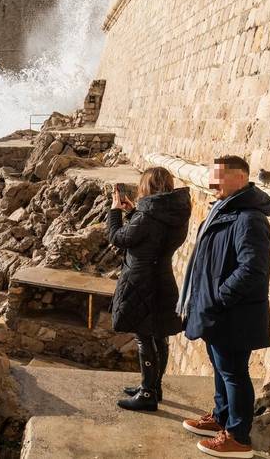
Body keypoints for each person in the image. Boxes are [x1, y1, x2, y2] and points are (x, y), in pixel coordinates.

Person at [178, 155, 270, 459]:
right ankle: (220, 418)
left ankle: (237, 437)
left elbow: (252, 269)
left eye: (218, 176)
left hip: (232, 313)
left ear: (240, 178)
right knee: (222, 369)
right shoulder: (225, 211)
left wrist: (220, 297)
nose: (211, 183)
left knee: (234, 372)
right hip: (216, 310)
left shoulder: (249, 219)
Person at [107, 166, 191, 412]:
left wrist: (114, 211)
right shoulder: (176, 211)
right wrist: (134, 211)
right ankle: (155, 386)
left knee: (144, 336)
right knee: (160, 335)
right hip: (162, 277)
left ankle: (147, 393)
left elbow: (119, 238)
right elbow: (153, 233)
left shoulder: (148, 216)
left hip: (141, 281)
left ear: (148, 187)